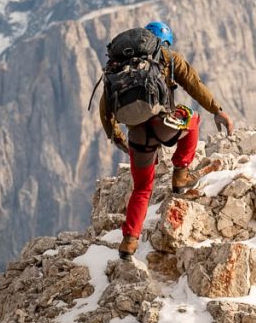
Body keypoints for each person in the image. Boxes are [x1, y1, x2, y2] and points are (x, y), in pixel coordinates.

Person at [99, 20, 234, 260]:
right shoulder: (169, 57)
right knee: (192, 118)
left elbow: (105, 106)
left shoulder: (118, 66)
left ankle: (129, 242)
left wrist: (116, 136)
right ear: (165, 42)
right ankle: (180, 174)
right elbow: (194, 84)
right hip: (163, 124)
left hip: (137, 136)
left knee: (141, 189)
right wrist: (217, 109)